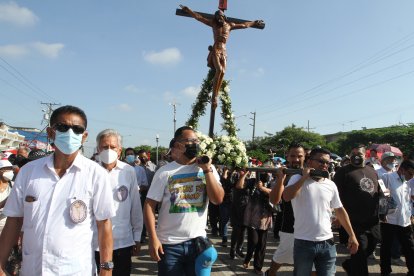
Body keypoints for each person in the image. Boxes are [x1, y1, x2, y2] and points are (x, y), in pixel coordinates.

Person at [0, 105, 115, 275]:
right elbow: (14, 221)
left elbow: (104, 224)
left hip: (76, 270)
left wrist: (106, 269)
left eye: (77, 129)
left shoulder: (96, 174)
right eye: (63, 127)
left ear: (84, 137)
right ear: (50, 132)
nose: (70, 133)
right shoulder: (29, 172)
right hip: (33, 269)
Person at [144, 126, 224, 275]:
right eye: (191, 141)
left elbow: (217, 199)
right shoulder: (164, 172)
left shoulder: (207, 168)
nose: (196, 144)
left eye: (197, 140)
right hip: (169, 246)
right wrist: (152, 238)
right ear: (178, 144)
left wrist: (207, 170)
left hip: (197, 244)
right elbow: (149, 205)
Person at [283, 147, 359, 276]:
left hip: (327, 242)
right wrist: (304, 178)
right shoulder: (297, 178)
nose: (325, 165)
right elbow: (286, 196)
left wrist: (352, 235)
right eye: (321, 161)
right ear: (309, 161)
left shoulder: (330, 184)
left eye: (327, 163)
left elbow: (339, 209)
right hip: (303, 242)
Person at [179, 5, 263, 109]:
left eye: (221, 15)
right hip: (216, 49)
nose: (219, 17)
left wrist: (254, 22)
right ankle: (214, 97)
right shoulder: (213, 24)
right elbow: (199, 17)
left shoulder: (230, 25)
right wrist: (188, 10)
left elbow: (244, 25)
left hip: (224, 50)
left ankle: (216, 94)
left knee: (223, 72)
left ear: (224, 17)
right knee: (219, 70)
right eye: (217, 16)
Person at [94, 129, 143, 276]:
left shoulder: (128, 171)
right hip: (95, 243)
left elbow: (135, 205)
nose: (109, 150)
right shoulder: (90, 171)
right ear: (98, 149)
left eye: (113, 147)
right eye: (104, 147)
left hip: (123, 241)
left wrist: (137, 236)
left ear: (119, 150)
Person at [334, 145, 381, 276]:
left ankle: (350, 265)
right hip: (354, 220)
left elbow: (378, 189)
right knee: (360, 251)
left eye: (359, 153)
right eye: (353, 153)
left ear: (365, 156)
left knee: (371, 246)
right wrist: (337, 215)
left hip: (372, 219)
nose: (356, 156)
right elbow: (335, 195)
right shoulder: (343, 172)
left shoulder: (372, 171)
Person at [265, 144, 310, 276]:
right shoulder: (284, 174)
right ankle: (270, 273)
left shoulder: (311, 173)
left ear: (305, 156)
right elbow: (274, 200)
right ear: (287, 157)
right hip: (290, 223)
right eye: (293, 156)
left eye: (299, 156)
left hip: (309, 224)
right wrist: (280, 180)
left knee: (309, 262)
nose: (296, 159)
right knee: (283, 254)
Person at [379, 159, 414, 276]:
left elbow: (408, 200)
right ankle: (385, 271)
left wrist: (410, 215)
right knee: (386, 247)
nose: (411, 176)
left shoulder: (408, 182)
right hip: (389, 220)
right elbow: (380, 196)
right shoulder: (387, 177)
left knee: (410, 247)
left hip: (405, 220)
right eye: (410, 173)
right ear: (402, 169)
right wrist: (382, 213)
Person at [242, 172, 273, 274]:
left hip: (264, 218)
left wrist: (263, 188)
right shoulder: (252, 181)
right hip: (251, 217)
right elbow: (239, 186)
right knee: (253, 242)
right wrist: (245, 173)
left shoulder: (271, 182)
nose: (266, 174)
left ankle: (258, 267)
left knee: (261, 245)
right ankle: (247, 259)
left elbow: (276, 193)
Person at [0, 160, 14, 234]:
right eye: (7, 169)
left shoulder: (14, 185)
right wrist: (4, 203)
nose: (10, 172)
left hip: (9, 225)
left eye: (11, 169)